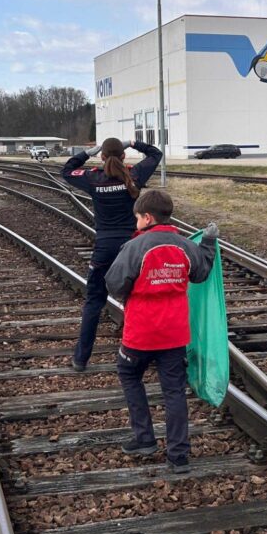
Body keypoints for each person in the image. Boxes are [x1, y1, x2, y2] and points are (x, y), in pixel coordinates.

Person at [105, 189, 218, 474]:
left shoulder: (135, 246)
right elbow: (201, 273)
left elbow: (115, 284)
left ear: (148, 217)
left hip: (140, 332)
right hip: (174, 333)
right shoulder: (185, 246)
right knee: (174, 391)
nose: (136, 223)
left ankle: (144, 438)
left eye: (137, 218)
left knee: (129, 374)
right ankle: (178, 455)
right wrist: (208, 242)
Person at [62, 137, 162, 371]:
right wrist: (134, 143)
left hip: (104, 248)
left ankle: (80, 359)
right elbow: (155, 154)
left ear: (102, 157)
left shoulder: (93, 178)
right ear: (124, 156)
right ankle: (146, 354)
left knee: (94, 302)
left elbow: (66, 171)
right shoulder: (134, 175)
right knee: (140, 299)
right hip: (132, 247)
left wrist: (87, 153)